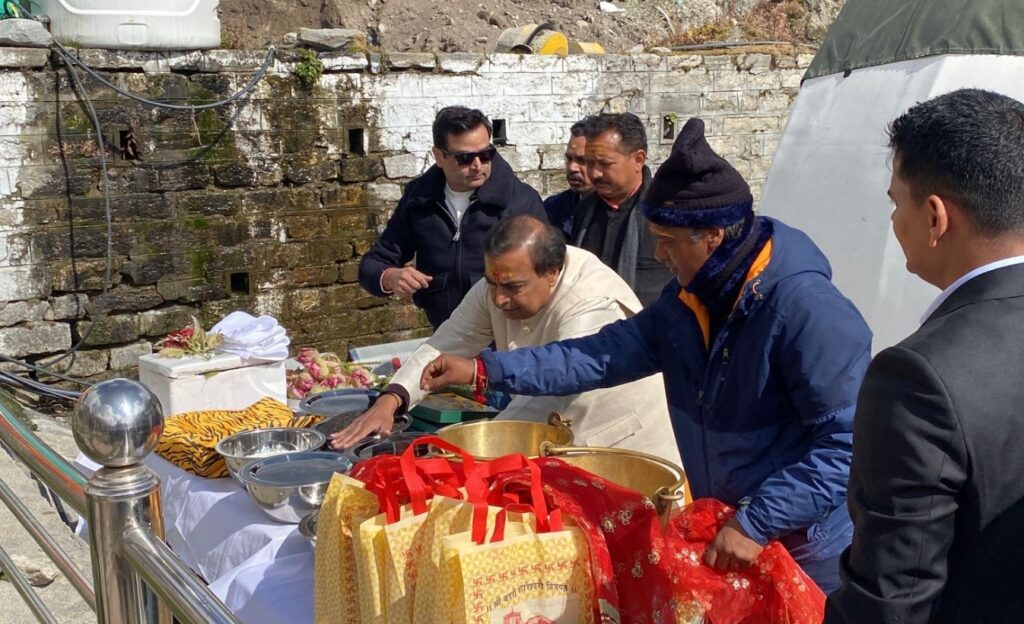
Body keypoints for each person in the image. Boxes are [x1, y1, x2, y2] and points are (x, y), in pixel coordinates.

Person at [418, 118, 873, 592]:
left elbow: (849, 444)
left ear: (712, 236)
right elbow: (598, 356)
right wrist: (485, 370)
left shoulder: (805, 309)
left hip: (804, 543)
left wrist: (757, 522)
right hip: (729, 521)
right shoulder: (687, 302)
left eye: (667, 240)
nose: (658, 255)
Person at [825, 89, 1024, 623]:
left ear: (935, 216)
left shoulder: (918, 377)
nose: (893, 221)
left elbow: (891, 600)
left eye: (896, 201)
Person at [332, 215, 681, 464]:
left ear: (552, 272)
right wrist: (393, 398)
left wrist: (456, 451)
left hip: (621, 449)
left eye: (513, 288)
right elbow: (448, 343)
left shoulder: (591, 301)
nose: (498, 299)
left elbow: (559, 384)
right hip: (554, 442)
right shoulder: (498, 283)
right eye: (491, 283)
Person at [358, 106, 546, 328]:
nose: (477, 166)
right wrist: (390, 277)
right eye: (465, 158)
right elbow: (374, 263)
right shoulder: (419, 199)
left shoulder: (521, 201)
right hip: (445, 331)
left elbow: (549, 271)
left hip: (507, 333)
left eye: (486, 154)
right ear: (439, 156)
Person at [566, 112, 671, 306]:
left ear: (638, 160)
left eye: (605, 164)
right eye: (589, 163)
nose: (595, 173)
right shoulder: (585, 210)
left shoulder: (666, 211)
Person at [543, 118, 594, 237]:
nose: (572, 168)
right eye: (569, 159)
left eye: (582, 160)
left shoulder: (619, 213)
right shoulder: (553, 209)